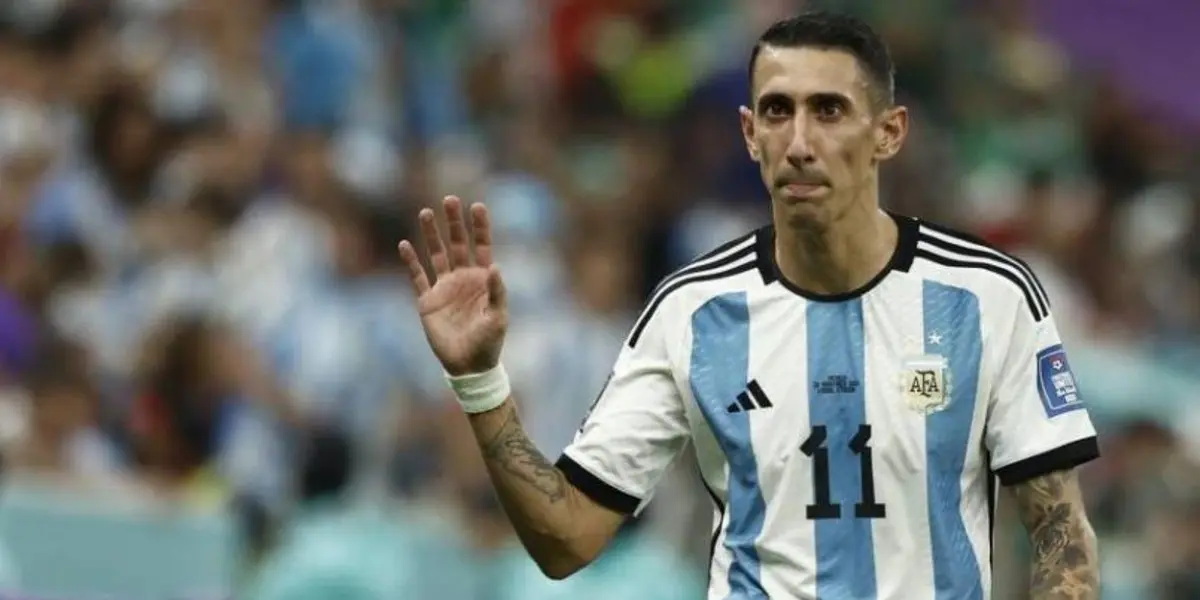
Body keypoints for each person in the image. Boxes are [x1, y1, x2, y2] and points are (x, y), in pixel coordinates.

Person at [397, 11, 1101, 600]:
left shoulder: (986, 297)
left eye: (828, 110)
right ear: (749, 134)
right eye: (777, 111)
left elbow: (1059, 533)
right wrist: (480, 382)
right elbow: (567, 538)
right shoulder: (694, 311)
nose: (799, 141)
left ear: (888, 131)